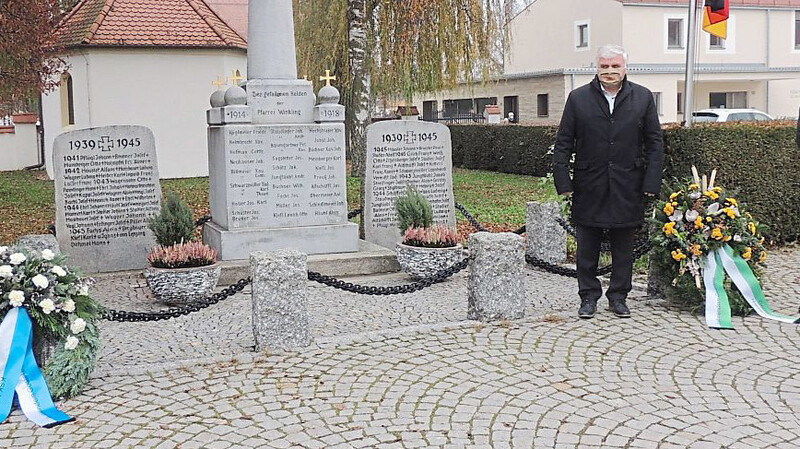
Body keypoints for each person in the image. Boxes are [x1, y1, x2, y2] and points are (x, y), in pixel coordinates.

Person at [552, 44, 664, 319]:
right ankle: (588, 297)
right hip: (589, 183)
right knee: (587, 248)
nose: (610, 71)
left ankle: (618, 297)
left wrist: (651, 183)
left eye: (615, 66)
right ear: (597, 68)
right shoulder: (578, 98)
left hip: (628, 184)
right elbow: (564, 143)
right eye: (605, 66)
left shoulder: (642, 97)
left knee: (623, 248)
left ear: (625, 68)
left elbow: (655, 143)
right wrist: (563, 182)